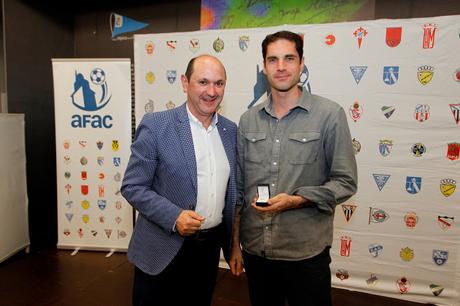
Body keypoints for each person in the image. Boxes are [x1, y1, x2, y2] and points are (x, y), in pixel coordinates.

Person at [229, 31, 358, 306]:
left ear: (301, 64)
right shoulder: (248, 120)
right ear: (264, 67)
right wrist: (235, 245)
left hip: (306, 254)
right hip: (257, 252)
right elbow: (239, 189)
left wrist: (297, 200)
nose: (281, 67)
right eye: (273, 59)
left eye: (289, 58)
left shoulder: (329, 115)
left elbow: (345, 181)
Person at [121, 54, 237, 306]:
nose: (211, 91)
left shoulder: (231, 131)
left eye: (219, 83)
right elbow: (132, 186)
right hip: (161, 248)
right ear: (185, 83)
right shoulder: (157, 125)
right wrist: (174, 216)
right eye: (203, 82)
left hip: (207, 252)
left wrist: (234, 244)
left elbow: (232, 193)